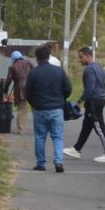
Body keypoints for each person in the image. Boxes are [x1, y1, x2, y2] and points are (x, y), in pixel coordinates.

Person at [24, 43, 72, 173]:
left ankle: (41, 163)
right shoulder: (59, 71)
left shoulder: (33, 73)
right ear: (49, 56)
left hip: (40, 109)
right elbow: (68, 88)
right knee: (57, 137)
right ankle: (58, 161)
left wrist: (35, 104)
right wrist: (61, 99)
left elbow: (27, 93)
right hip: (56, 108)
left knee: (40, 137)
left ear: (37, 58)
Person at [67, 45, 105, 161]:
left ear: (88, 56)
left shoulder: (89, 70)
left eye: (81, 57)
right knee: (86, 126)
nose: (79, 60)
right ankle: (77, 149)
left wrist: (80, 101)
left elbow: (89, 89)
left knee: (99, 127)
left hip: (94, 101)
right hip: (100, 99)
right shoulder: (98, 67)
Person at [5, 49, 33, 132]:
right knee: (35, 109)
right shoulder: (28, 62)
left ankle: (21, 130)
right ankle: (39, 128)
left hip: (20, 90)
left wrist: (5, 91)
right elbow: (36, 72)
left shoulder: (12, 67)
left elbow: (8, 81)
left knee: (22, 110)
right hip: (31, 88)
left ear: (13, 59)